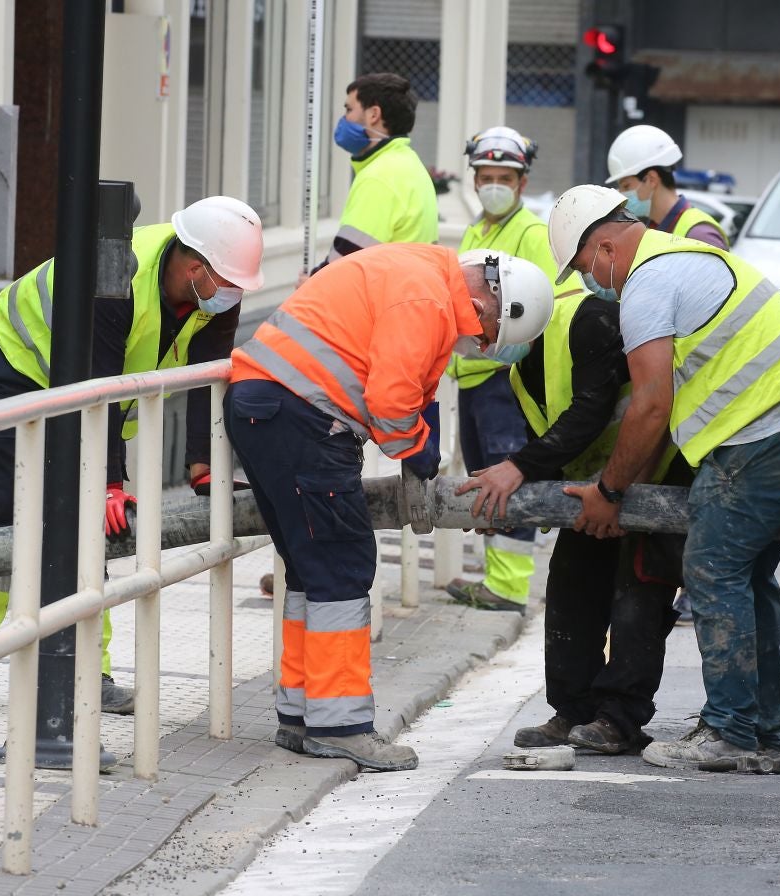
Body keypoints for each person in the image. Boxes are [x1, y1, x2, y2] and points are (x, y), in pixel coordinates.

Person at [548, 183, 780, 774]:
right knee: (750, 576)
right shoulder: (685, 256)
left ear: (605, 247)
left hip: (768, 432)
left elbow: (651, 404)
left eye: (585, 266)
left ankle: (732, 730)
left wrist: (608, 492)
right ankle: (759, 734)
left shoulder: (648, 285)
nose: (589, 280)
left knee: (711, 567)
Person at [228, 244, 554, 771]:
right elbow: (391, 401)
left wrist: (422, 442)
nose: (483, 345)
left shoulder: (421, 275)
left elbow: (411, 380)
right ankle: (341, 726)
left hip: (268, 408)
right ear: (491, 302)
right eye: (490, 335)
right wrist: (417, 450)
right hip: (304, 417)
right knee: (343, 567)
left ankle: (301, 714)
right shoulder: (427, 300)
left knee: (311, 571)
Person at [0, 195, 265, 713]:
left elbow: (210, 378)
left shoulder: (216, 292)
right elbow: (100, 386)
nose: (234, 297)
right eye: (231, 284)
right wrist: (110, 481)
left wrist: (204, 467)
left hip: (92, 390)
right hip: (16, 366)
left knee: (89, 525)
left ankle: (87, 669)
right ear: (196, 268)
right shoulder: (119, 281)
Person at [457, 224, 691, 753]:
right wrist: (517, 494)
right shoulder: (521, 365)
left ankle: (620, 719)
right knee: (570, 591)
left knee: (637, 601)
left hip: (648, 481)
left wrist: (516, 469)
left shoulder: (589, 320)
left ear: (512, 310)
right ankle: (573, 709)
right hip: (590, 488)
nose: (480, 339)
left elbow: (588, 413)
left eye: (485, 324)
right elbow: (554, 436)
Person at [444, 126, 571, 614]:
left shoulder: (530, 233)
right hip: (474, 375)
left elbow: (544, 305)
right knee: (484, 477)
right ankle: (495, 579)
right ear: (474, 180)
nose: (494, 184)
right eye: (486, 176)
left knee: (505, 476)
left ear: (521, 183)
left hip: (503, 378)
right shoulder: (479, 232)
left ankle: (511, 587)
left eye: (505, 177)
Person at [310, 73, 438, 274]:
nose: (345, 118)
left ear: (373, 115)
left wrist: (311, 282)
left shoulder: (380, 176)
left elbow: (345, 263)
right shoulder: (409, 164)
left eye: (349, 109)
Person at [604, 124, 729, 250]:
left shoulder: (700, 235)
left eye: (626, 186)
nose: (622, 194)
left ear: (651, 179)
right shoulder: (650, 231)